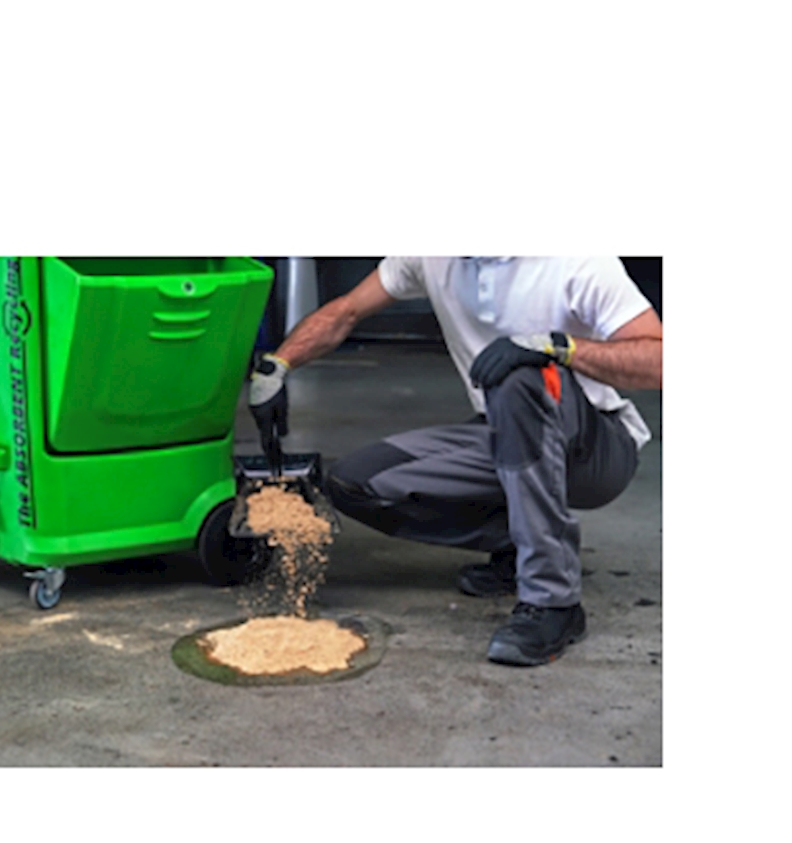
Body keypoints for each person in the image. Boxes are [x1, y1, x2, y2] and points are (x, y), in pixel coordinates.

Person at [248, 257, 662, 666]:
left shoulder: (576, 260)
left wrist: (560, 347)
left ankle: (554, 602)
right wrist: (278, 365)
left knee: (520, 374)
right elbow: (347, 310)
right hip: (504, 431)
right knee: (354, 483)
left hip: (596, 449)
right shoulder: (433, 255)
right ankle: (517, 545)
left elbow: (660, 360)